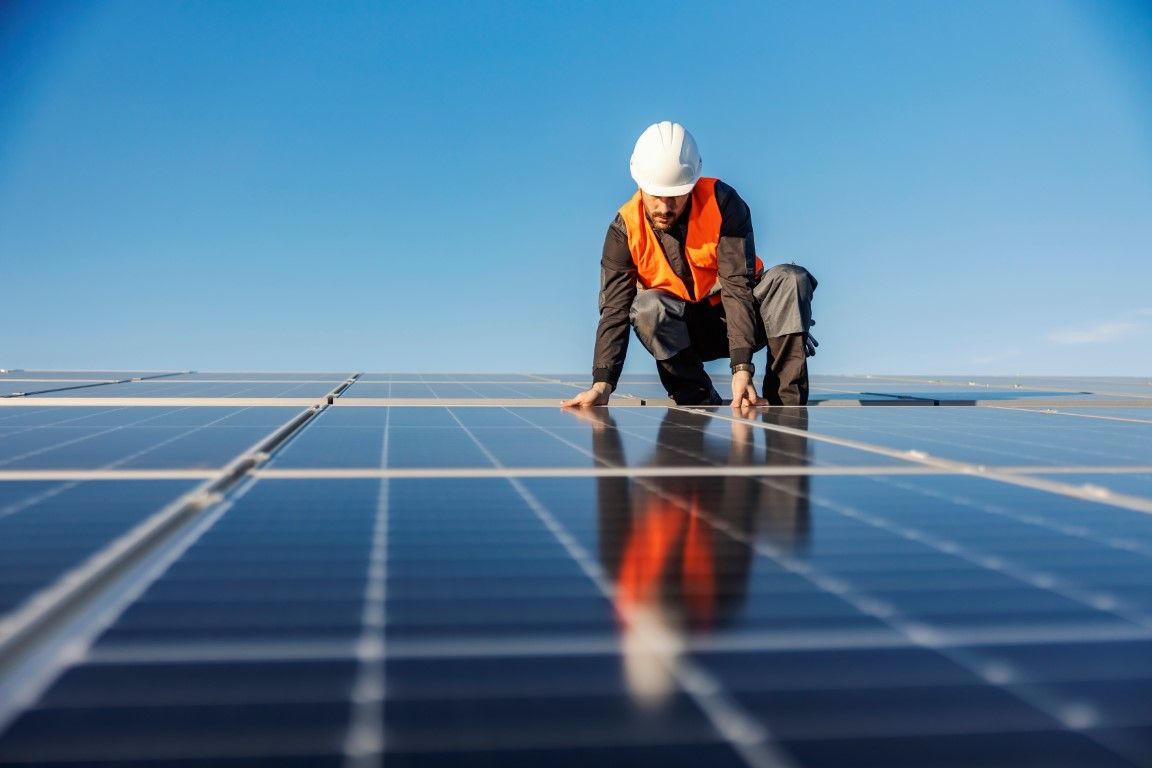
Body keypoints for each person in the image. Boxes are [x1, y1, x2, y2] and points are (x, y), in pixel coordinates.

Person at [561, 121, 817, 409]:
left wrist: (742, 367)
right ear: (640, 184)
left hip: (745, 317)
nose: (665, 207)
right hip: (686, 333)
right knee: (647, 309)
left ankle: (785, 405)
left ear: (692, 184)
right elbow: (614, 312)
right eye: (656, 195)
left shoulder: (723, 203)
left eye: (675, 196)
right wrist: (602, 384)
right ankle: (697, 400)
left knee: (790, 280)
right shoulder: (624, 231)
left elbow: (737, 285)